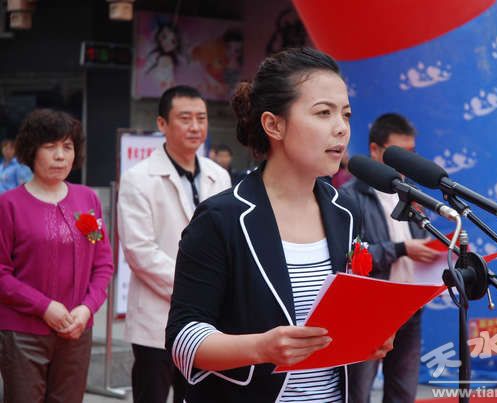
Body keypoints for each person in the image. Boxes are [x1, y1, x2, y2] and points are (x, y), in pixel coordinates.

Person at [165, 47, 394, 402]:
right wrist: (260, 348)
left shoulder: (345, 211)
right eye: (323, 112)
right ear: (273, 125)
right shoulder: (221, 218)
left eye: (346, 115)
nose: (341, 128)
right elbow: (183, 339)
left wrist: (367, 333)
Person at [118, 85, 231, 403]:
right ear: (162, 124)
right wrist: (197, 288)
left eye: (201, 118)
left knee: (199, 396)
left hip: (208, 322)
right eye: (185, 118)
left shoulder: (219, 175)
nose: (195, 127)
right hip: (156, 319)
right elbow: (140, 252)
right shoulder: (139, 178)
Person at [0, 109, 114, 402]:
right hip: (23, 333)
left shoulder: (88, 199)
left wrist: (87, 308)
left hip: (77, 329)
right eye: (50, 147)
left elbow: (103, 264)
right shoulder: (8, 205)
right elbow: (1, 274)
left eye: (67, 147)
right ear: (31, 152)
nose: (60, 156)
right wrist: (45, 307)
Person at [340, 113, 438, 403]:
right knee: (357, 391)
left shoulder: (411, 194)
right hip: (369, 308)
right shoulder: (349, 196)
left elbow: (419, 241)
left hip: (409, 306)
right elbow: (350, 256)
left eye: (411, 153)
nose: (407, 162)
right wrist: (401, 249)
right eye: (398, 154)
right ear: (374, 150)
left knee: (403, 391)